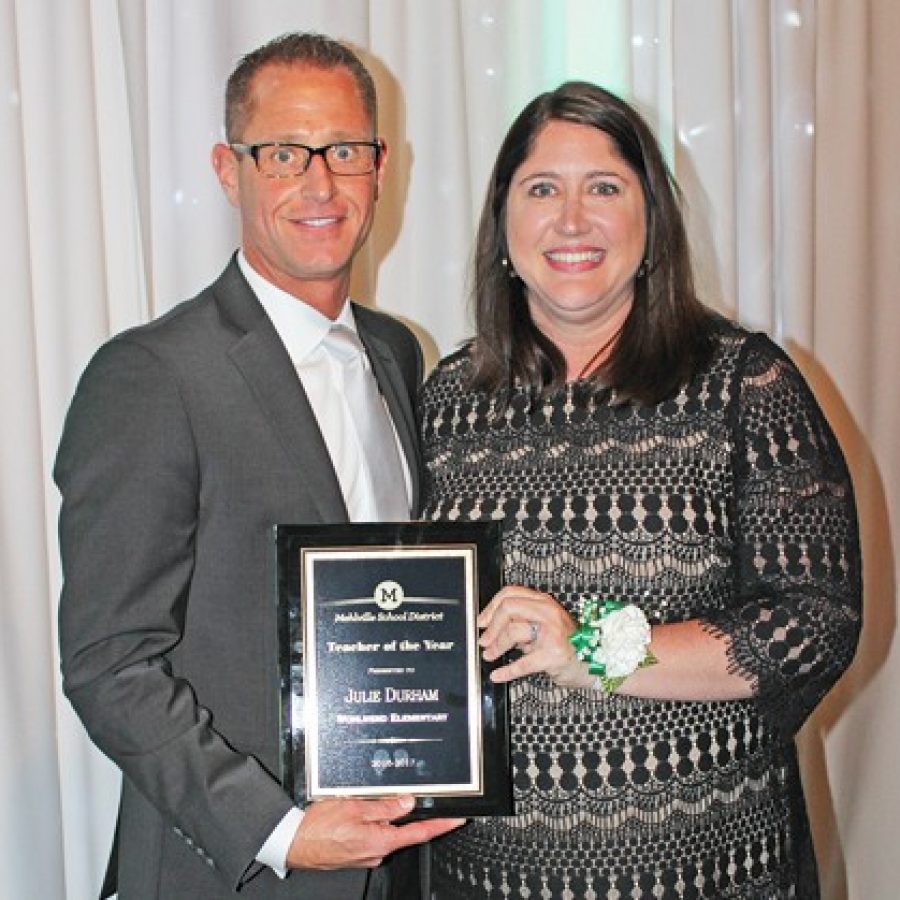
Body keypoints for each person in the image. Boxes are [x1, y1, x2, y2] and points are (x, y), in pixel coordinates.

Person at [418, 81, 862, 898]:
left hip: (709, 871)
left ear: (652, 222)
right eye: (542, 188)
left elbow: (816, 618)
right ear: (504, 228)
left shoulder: (742, 384)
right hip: (488, 878)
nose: (573, 219)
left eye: (606, 188)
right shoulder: (445, 402)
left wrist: (594, 649)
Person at [56, 32, 460, 900]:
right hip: (239, 875)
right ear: (228, 169)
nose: (319, 183)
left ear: (380, 167)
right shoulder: (153, 375)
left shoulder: (397, 353)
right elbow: (109, 662)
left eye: (344, 151)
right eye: (283, 153)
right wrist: (280, 831)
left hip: (400, 867)